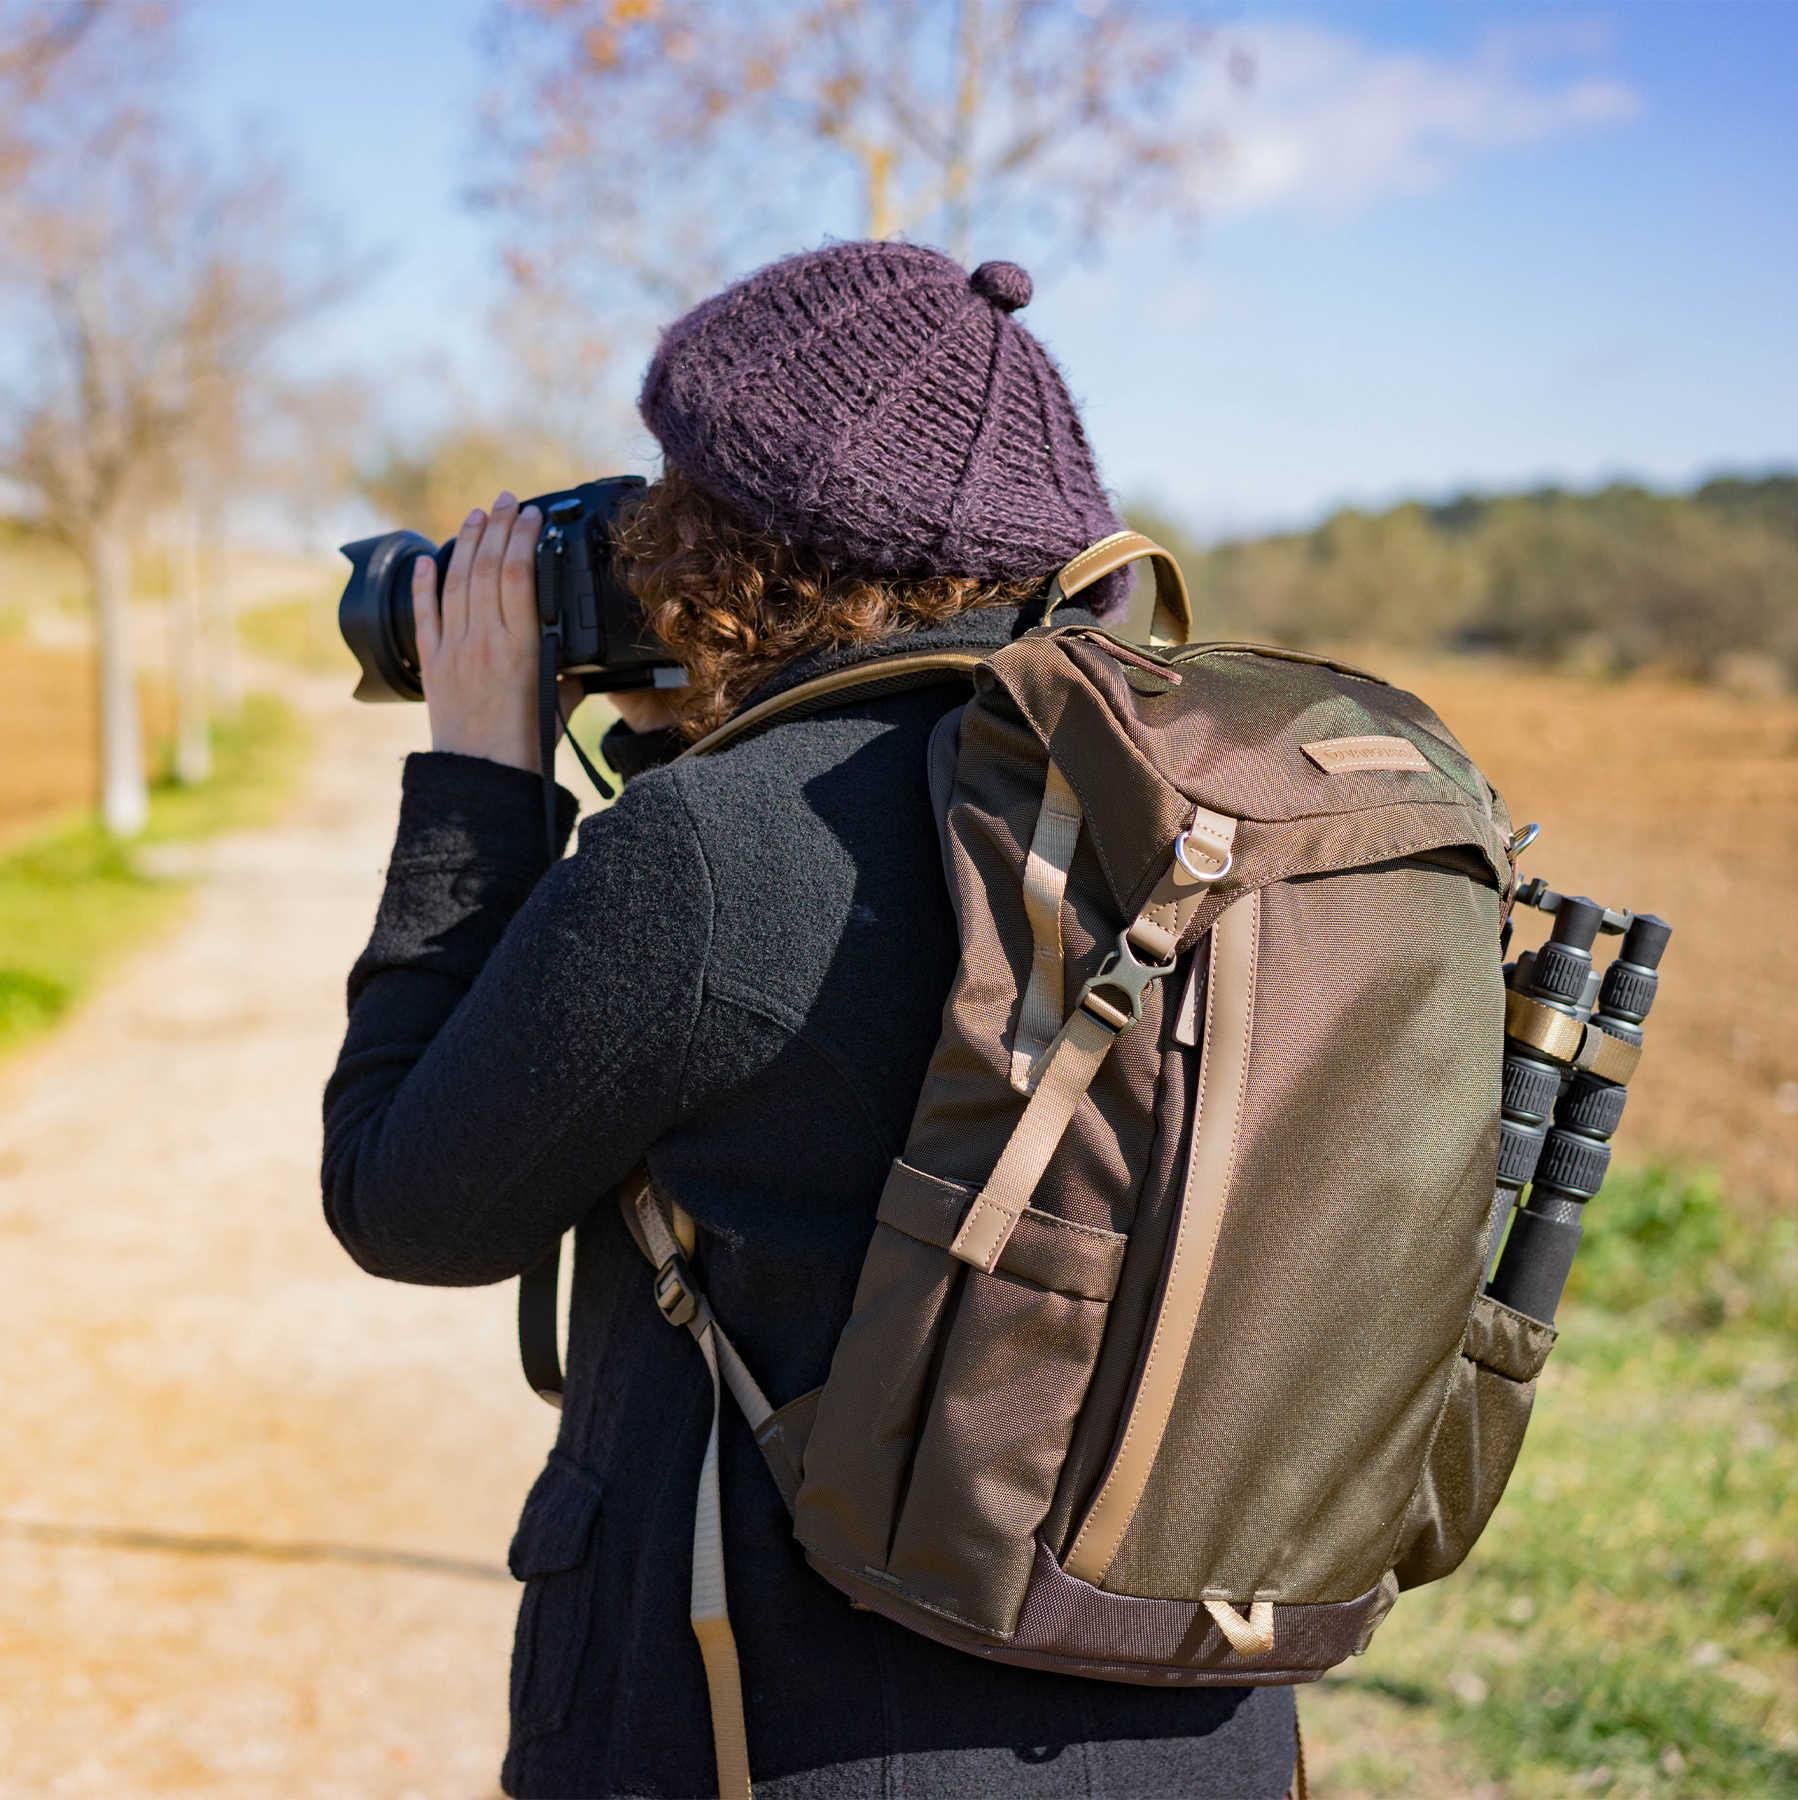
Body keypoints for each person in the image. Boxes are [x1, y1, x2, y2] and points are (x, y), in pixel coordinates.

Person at [323, 240, 1299, 1800]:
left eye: (666, 489)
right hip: (1198, 1726)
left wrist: (479, 789)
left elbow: (405, 1200)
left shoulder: (714, 852)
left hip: (780, 1728)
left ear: (725, 540)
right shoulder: (1196, 817)